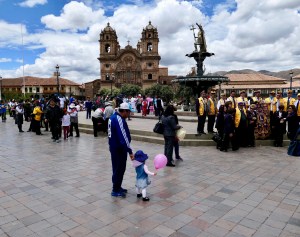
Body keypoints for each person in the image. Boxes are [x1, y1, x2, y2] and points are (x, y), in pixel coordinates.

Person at [108, 102, 134, 197]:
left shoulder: (114, 117)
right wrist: (130, 151)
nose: (129, 114)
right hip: (118, 148)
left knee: (120, 168)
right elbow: (123, 137)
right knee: (118, 168)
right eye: (128, 112)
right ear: (124, 111)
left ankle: (118, 186)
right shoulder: (118, 119)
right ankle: (115, 189)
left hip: (117, 147)